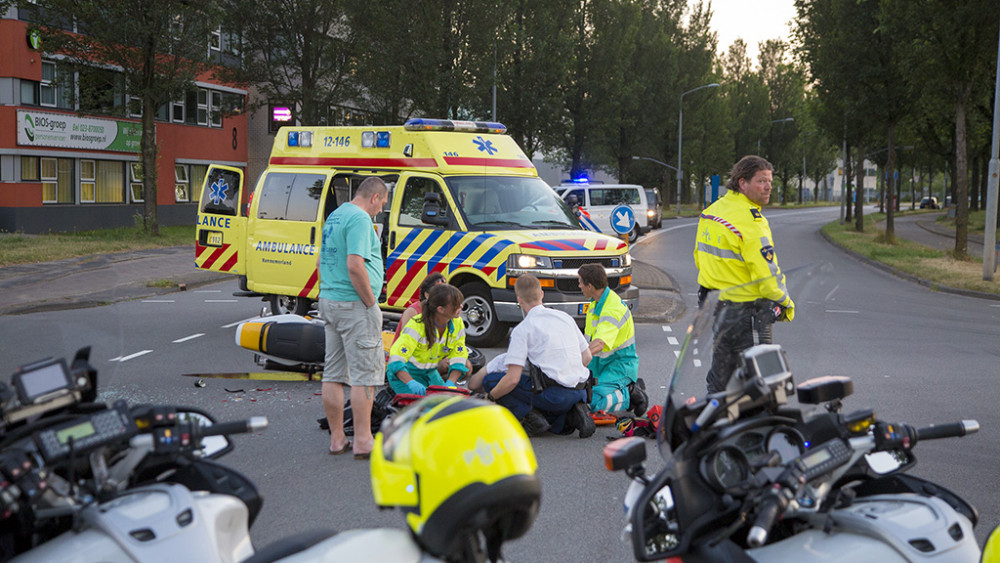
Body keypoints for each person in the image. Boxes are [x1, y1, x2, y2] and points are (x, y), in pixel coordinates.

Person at [694, 155, 795, 394]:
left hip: (714, 303)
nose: (768, 186)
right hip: (742, 311)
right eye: (761, 181)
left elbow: (699, 257)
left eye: (770, 181)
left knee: (722, 373)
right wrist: (785, 303)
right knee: (750, 382)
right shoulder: (751, 221)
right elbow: (767, 275)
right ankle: (737, 427)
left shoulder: (711, 212)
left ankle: (714, 420)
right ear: (742, 183)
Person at [467, 274, 595, 438]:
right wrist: (566, 373)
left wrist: (489, 397)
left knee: (491, 381)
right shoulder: (565, 318)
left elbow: (512, 379)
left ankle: (531, 418)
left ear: (519, 300)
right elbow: (587, 356)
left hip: (554, 396)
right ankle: (568, 416)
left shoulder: (523, 329)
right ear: (542, 294)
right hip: (580, 392)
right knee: (548, 402)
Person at [316, 177, 389, 460]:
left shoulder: (336, 216)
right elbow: (355, 265)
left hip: (330, 300)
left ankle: (337, 439)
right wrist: (371, 303)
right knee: (365, 376)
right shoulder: (360, 219)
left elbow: (321, 261)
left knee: (333, 373)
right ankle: (363, 441)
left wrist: (328, 291)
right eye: (382, 203)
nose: (380, 211)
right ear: (374, 197)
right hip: (355, 305)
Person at [577, 264, 646, 416]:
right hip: (600, 366)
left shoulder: (612, 309)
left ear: (590, 286)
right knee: (578, 396)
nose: (579, 285)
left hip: (618, 367)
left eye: (581, 282)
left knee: (591, 402)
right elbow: (589, 339)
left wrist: (577, 360)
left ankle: (631, 393)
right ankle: (624, 388)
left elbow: (600, 343)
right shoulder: (596, 303)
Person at [387, 283, 469, 395]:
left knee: (449, 404)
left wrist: (451, 382)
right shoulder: (416, 326)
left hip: (430, 372)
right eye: (456, 304)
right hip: (406, 375)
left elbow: (459, 354)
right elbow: (396, 359)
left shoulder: (457, 322)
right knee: (424, 408)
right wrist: (411, 383)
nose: (461, 307)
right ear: (440, 309)